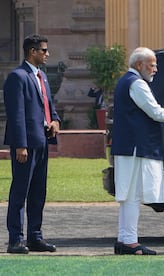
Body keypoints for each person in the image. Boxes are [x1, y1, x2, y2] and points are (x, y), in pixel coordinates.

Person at [111, 47, 164, 255]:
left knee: (129, 194)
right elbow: (155, 112)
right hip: (135, 147)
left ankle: (124, 239)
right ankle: (129, 241)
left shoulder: (126, 81)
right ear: (139, 65)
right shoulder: (137, 83)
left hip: (128, 146)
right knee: (133, 194)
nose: (155, 69)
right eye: (152, 64)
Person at [3, 34, 60, 254]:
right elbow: (16, 114)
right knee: (20, 192)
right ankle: (15, 239)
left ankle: (35, 237)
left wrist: (55, 120)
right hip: (25, 144)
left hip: (42, 140)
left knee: (38, 192)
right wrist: (20, 145)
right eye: (44, 50)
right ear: (32, 52)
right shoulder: (17, 77)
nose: (47, 54)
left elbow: (48, 104)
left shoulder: (41, 76)